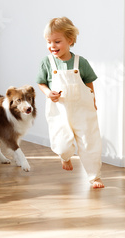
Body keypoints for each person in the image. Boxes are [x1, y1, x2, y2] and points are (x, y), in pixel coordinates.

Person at [36, 17, 104, 188]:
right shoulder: (47, 62)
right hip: (60, 110)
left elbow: (89, 83)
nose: (52, 46)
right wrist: (48, 93)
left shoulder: (81, 62)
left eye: (57, 41)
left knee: (90, 141)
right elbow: (41, 83)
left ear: (70, 40)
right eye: (49, 42)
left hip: (82, 109)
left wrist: (93, 100)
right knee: (62, 144)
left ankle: (94, 177)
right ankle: (65, 157)